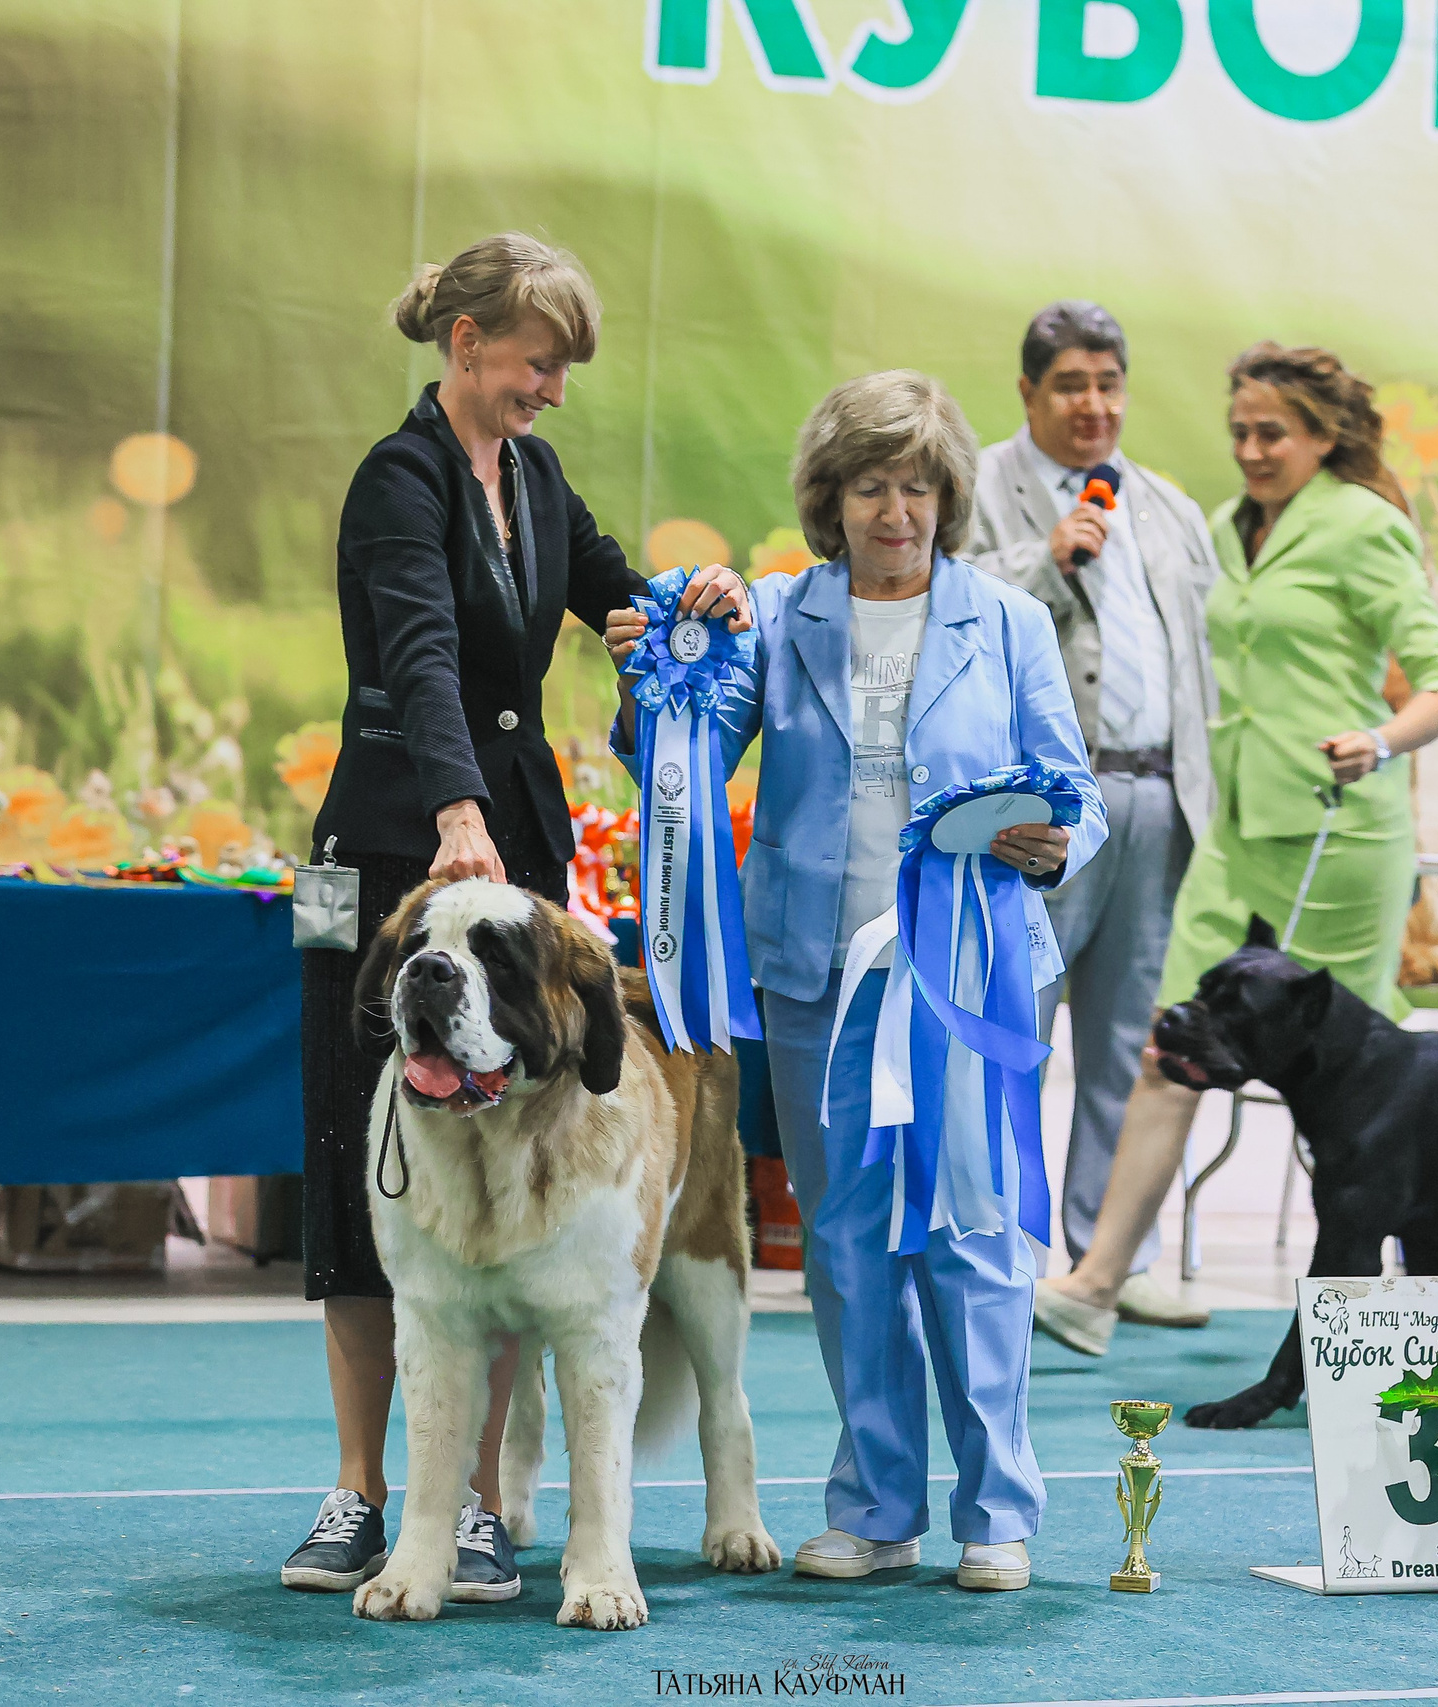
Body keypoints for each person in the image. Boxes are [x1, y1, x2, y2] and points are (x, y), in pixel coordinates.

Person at [287, 232, 748, 1597]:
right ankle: (361, 1489)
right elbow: (420, 649)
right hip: (394, 856)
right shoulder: (400, 475)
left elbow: (611, 591)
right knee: (373, 1180)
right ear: (469, 341)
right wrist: (450, 809)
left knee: (512, 1174)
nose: (551, 389)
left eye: (561, 372)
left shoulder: (533, 475)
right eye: (539, 362)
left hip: (517, 855)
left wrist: (692, 604)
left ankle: (484, 1505)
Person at [607, 371, 1104, 1592]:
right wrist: (648, 676)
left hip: (969, 976)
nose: (898, 511)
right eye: (872, 486)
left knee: (974, 1239)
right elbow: (685, 748)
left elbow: (1071, 788)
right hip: (815, 980)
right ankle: (876, 1509)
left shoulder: (1009, 623)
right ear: (830, 502)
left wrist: (1054, 839)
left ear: (947, 497)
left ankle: (998, 1515)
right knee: (843, 1246)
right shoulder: (776, 617)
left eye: (918, 485)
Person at [1031, 341, 1438, 1361]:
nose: (1251, 450)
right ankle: (1093, 1287)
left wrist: (1380, 739)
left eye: (1272, 433)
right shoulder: (1229, 531)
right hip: (1236, 841)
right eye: (1239, 432)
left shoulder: (1365, 529)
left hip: (1338, 837)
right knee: (1170, 1052)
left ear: (1325, 437)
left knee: (1373, 1094)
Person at [968, 301, 1218, 1331]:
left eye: (1108, 384)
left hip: (1158, 796)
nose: (1093, 404)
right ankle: (1002, 1249)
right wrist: (1043, 557)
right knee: (1012, 1028)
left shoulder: (1165, 504)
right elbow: (945, 594)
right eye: (1070, 385)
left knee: (1126, 1038)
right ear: (1029, 391)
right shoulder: (981, 485)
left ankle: (1113, 1257)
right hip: (1042, 809)